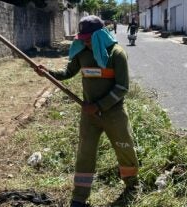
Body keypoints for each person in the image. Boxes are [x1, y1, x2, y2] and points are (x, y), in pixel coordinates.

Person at [35, 15, 139, 207]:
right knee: (85, 153)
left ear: (100, 35)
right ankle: (79, 197)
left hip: (113, 115)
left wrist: (99, 105)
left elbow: (122, 87)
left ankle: (132, 185)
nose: (85, 42)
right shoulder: (82, 54)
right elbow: (67, 73)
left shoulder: (117, 54)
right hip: (89, 116)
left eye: (89, 38)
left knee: (124, 148)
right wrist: (47, 71)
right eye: (82, 39)